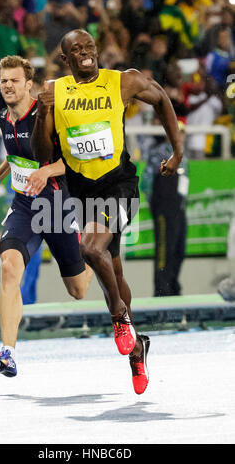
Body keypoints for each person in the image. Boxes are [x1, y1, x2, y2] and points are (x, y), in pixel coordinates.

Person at [30, 29, 183, 395]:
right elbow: (41, 156)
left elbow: (161, 100)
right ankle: (137, 348)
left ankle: (118, 318)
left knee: (91, 249)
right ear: (65, 59)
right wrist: (43, 112)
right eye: (76, 50)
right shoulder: (56, 91)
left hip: (119, 184)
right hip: (83, 191)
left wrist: (178, 151)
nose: (85, 53)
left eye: (89, 46)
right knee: (110, 269)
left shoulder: (122, 81)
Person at [0, 55, 92, 378]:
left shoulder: (48, 116)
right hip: (25, 207)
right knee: (10, 267)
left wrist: (48, 171)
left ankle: (94, 253)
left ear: (29, 84)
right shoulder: (3, 116)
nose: (8, 86)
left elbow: (76, 160)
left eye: (14, 81)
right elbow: (14, 154)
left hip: (57, 205)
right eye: (3, 81)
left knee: (78, 290)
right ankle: (8, 352)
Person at [141, 121, 188, 297]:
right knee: (164, 251)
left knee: (178, 250)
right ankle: (162, 292)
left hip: (179, 209)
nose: (180, 136)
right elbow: (146, 183)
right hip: (164, 209)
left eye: (182, 133)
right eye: (177, 132)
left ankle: (173, 288)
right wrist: (157, 204)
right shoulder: (160, 153)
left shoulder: (185, 156)